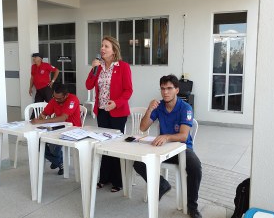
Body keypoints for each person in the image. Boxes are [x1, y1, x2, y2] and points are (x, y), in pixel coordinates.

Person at [133, 74, 202, 218]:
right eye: (163, 89)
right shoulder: (159, 106)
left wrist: (167, 136)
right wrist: (149, 110)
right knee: (138, 162)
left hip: (182, 148)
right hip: (163, 149)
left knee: (195, 166)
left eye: (169, 88)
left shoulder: (185, 108)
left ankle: (192, 206)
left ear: (177, 90)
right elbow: (143, 127)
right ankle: (162, 185)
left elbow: (183, 135)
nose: (165, 92)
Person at [85, 36, 133, 192]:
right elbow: (88, 85)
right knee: (104, 144)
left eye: (106, 46)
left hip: (117, 112)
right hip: (102, 112)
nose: (102, 49)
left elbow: (128, 90)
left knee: (115, 146)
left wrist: (116, 103)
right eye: (102, 46)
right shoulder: (98, 67)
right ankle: (104, 178)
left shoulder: (123, 66)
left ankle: (117, 181)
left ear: (114, 51)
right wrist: (93, 70)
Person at [31, 83, 81, 175]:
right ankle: (59, 162)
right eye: (54, 97)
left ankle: (57, 161)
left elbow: (63, 118)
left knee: (53, 147)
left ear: (66, 95)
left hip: (73, 130)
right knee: (37, 141)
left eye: (59, 98)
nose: (56, 100)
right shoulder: (55, 100)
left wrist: (42, 122)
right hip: (57, 128)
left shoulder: (72, 100)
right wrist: (39, 118)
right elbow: (45, 113)